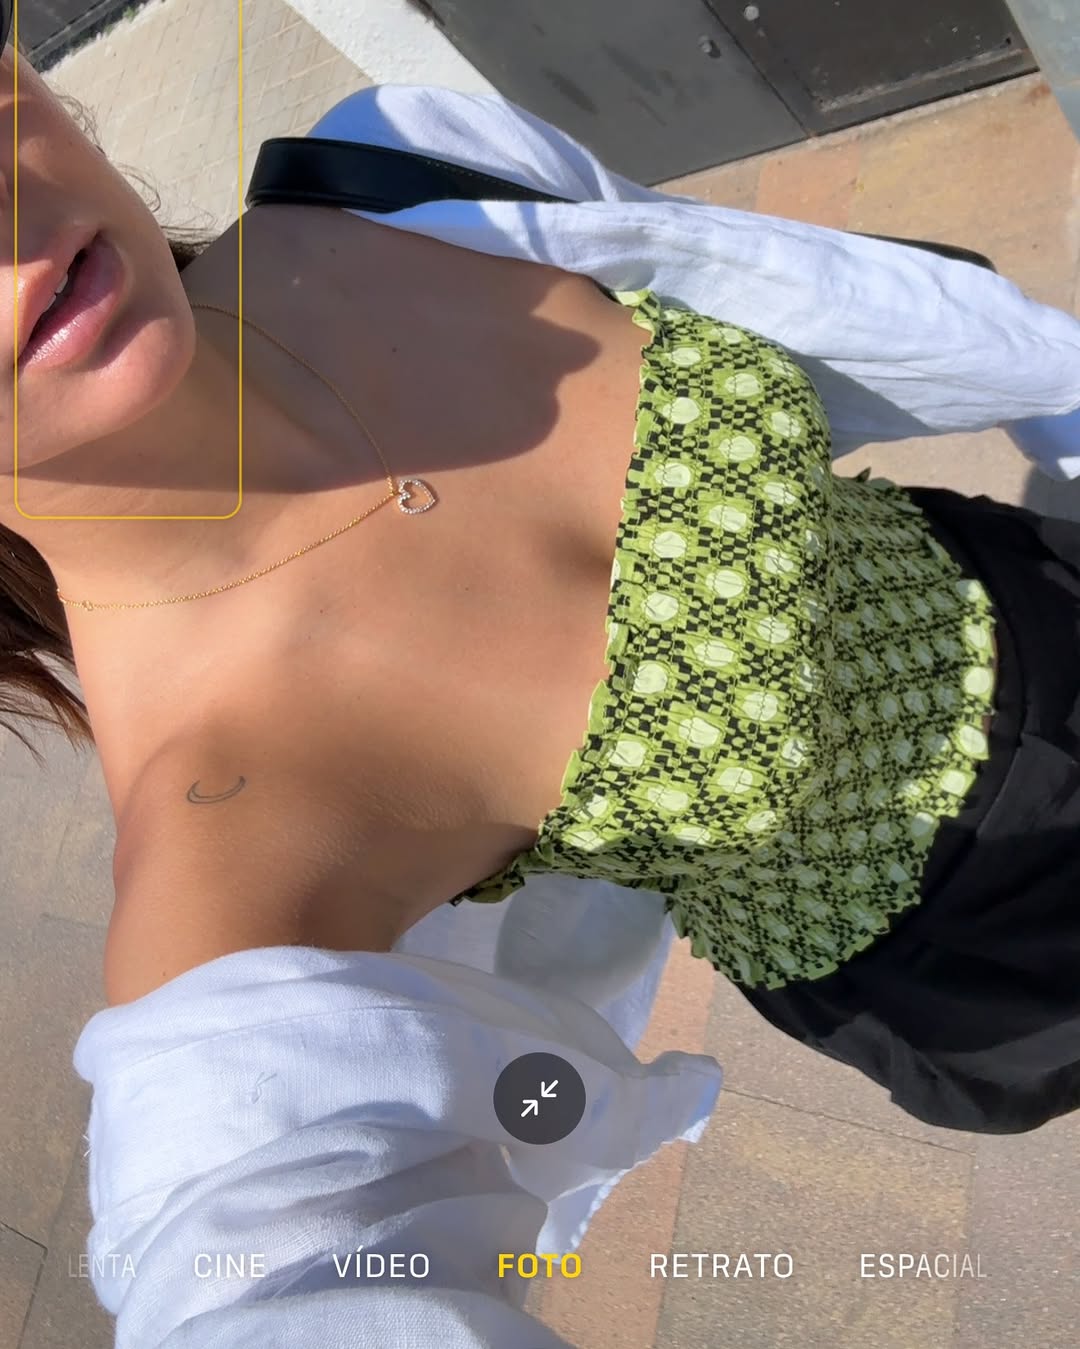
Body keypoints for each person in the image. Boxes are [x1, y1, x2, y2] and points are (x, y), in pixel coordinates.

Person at [3, 32, 1079, 1349]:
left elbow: (858, 311)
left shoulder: (388, 171)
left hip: (1016, 567)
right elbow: (258, 1265)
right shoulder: (216, 854)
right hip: (1012, 934)